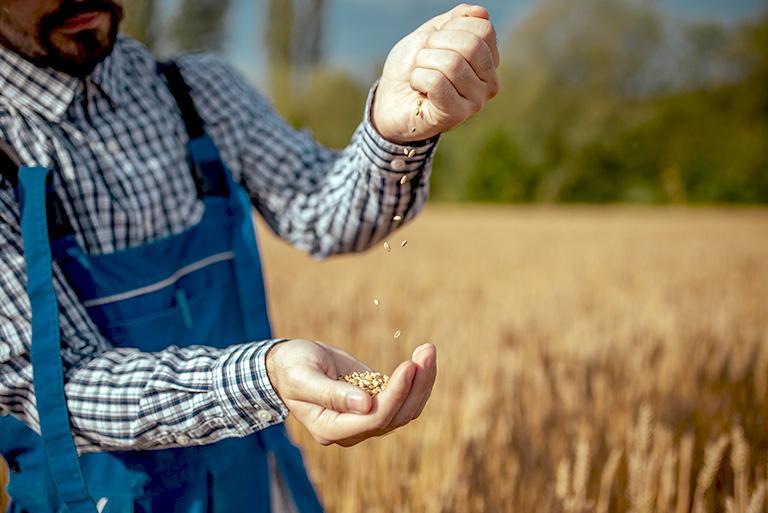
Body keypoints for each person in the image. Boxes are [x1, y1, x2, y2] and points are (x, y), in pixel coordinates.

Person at [0, 0, 500, 511]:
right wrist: (265, 376)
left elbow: (322, 211)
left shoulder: (197, 90)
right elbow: (61, 385)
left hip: (253, 484)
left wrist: (393, 134)